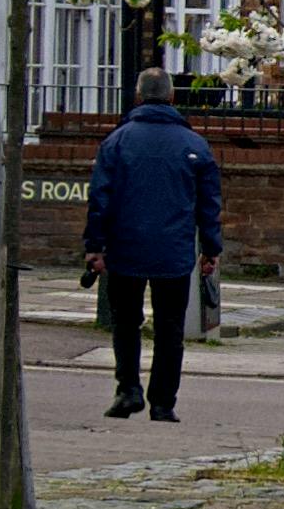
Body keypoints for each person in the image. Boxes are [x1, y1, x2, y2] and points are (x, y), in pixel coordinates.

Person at [83, 67, 221, 422]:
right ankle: (163, 401)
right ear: (173, 97)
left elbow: (100, 199)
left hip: (126, 246)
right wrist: (211, 248)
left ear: (139, 96)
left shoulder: (116, 142)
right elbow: (209, 204)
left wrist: (95, 246)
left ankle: (128, 389)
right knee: (170, 327)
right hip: (173, 251)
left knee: (126, 322)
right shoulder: (195, 145)